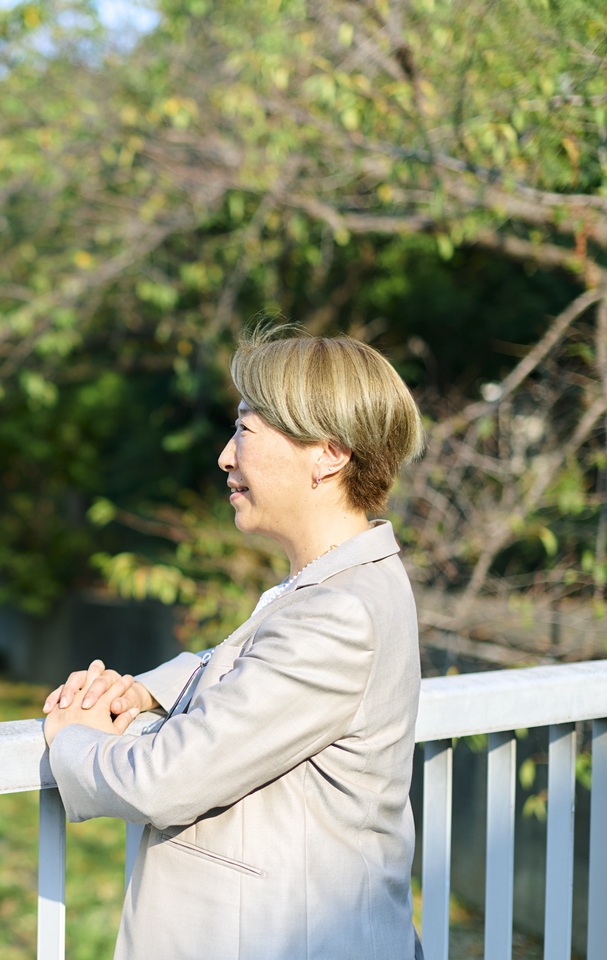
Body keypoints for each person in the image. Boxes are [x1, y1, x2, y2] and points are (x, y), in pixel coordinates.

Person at [41, 326, 426, 960]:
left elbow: (165, 781)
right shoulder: (348, 582)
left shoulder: (337, 613)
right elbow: (252, 666)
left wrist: (73, 738)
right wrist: (144, 692)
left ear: (326, 454)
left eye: (246, 430)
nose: (225, 456)